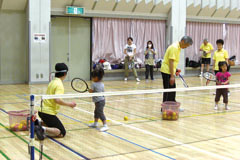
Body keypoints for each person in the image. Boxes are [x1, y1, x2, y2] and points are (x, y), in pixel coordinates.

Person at [35, 63, 76, 140]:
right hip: (48, 113)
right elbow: (57, 100)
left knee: (51, 124)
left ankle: (37, 123)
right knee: (61, 133)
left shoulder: (53, 81)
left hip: (41, 111)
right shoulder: (59, 84)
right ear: (65, 73)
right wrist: (69, 104)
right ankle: (41, 129)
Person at [160, 36, 193, 110]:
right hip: (167, 71)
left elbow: (172, 61)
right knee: (168, 90)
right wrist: (172, 76)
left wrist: (175, 70)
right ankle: (165, 108)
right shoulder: (174, 47)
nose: (186, 47)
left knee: (172, 89)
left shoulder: (178, 48)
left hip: (169, 71)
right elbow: (170, 61)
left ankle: (173, 106)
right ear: (183, 42)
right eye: (186, 45)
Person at [88, 67, 109, 132]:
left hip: (99, 101)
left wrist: (89, 90)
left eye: (93, 77)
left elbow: (91, 91)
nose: (92, 78)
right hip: (102, 100)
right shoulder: (102, 84)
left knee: (100, 113)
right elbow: (102, 92)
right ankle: (95, 123)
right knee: (96, 112)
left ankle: (105, 125)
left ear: (96, 77)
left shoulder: (93, 84)